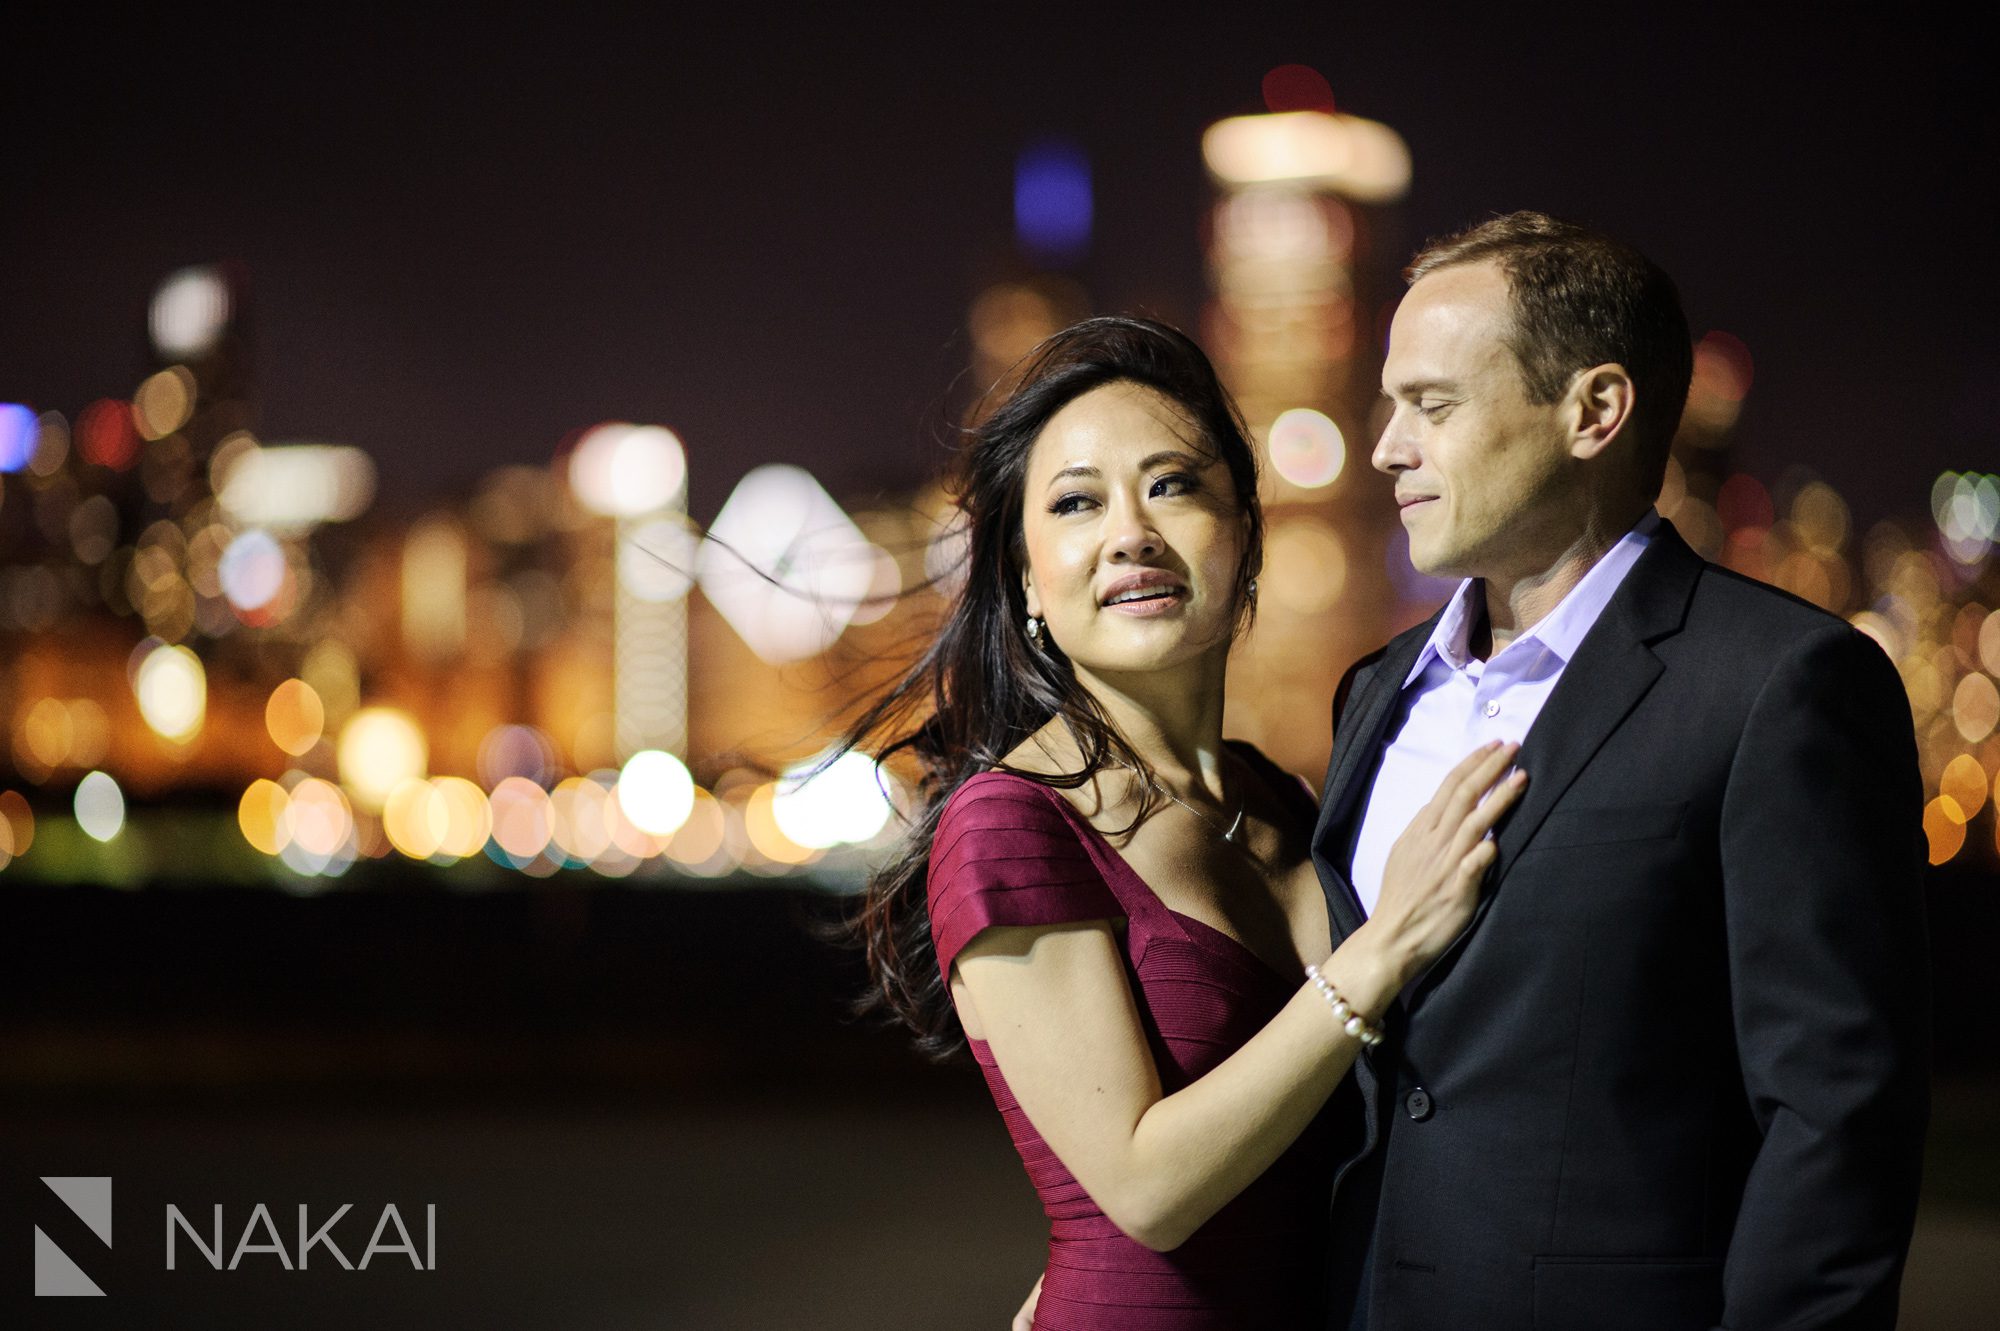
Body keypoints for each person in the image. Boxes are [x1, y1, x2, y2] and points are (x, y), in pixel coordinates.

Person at [840, 315, 1527, 1328]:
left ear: (1244, 533)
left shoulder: (1279, 798)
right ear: (1027, 575)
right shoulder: (1010, 826)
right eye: (1076, 502)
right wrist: (1381, 951)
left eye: (1172, 485)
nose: (1130, 533)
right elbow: (1145, 1188)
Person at [1312, 212, 1930, 1330]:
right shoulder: (1373, 690)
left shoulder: (1777, 684)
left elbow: (1835, 1120)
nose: (1385, 447)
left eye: (1431, 405)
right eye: (1388, 403)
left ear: (1591, 410)